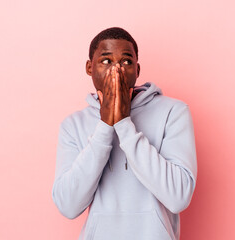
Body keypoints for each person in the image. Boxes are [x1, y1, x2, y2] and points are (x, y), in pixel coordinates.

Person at [51, 27, 197, 240]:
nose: (116, 69)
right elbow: (68, 205)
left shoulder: (173, 112)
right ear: (90, 68)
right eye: (106, 61)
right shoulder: (73, 125)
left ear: (137, 70)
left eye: (126, 62)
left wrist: (123, 124)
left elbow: (178, 197)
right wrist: (105, 126)